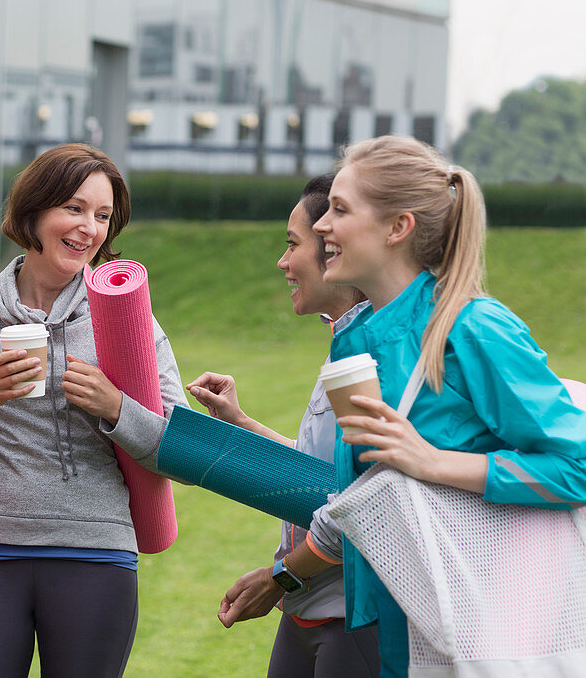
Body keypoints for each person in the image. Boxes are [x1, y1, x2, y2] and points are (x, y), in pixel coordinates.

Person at [219, 135, 586, 677]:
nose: (322, 227)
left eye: (340, 210)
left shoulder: (474, 327)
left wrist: (434, 462)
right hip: (385, 629)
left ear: (398, 228)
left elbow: (575, 465)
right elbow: (355, 497)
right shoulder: (357, 339)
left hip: (468, 633)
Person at [0, 143, 188, 677]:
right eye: (73, 207)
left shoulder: (128, 320)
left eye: (102, 215)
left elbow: (178, 451)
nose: (88, 227)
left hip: (96, 548)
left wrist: (115, 408)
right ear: (34, 212)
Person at [187, 174, 378, 678]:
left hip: (354, 617)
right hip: (309, 614)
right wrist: (240, 422)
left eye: (292, 244)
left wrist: (279, 578)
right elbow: (324, 475)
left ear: (334, 248)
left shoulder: (375, 355)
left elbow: (364, 503)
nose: (283, 262)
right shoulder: (345, 345)